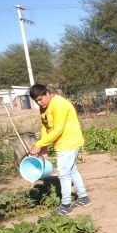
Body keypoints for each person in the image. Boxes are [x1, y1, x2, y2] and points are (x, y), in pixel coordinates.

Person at [29, 84, 91, 215]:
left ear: (47, 94)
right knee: (72, 171)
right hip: (63, 143)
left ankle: (66, 205)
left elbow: (58, 129)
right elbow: (45, 127)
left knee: (63, 174)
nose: (39, 103)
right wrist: (44, 147)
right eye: (36, 101)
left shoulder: (58, 104)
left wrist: (39, 144)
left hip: (69, 142)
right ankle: (83, 198)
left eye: (40, 99)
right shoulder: (44, 107)